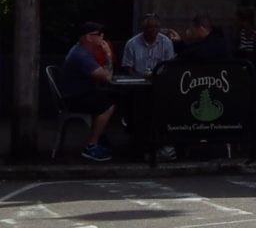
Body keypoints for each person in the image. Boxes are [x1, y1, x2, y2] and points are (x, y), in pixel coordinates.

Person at [58, 21, 116, 162]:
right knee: (108, 105)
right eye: (99, 35)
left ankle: (100, 137)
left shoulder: (82, 51)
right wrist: (108, 54)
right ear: (89, 37)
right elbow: (107, 77)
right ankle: (92, 146)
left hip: (77, 94)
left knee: (108, 97)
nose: (102, 37)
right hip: (74, 98)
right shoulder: (81, 55)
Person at [121, 13, 176, 78]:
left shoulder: (167, 42)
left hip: (160, 81)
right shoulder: (131, 44)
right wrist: (137, 80)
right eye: (151, 27)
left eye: (156, 27)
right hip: (137, 82)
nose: (154, 30)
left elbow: (169, 66)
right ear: (143, 28)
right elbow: (128, 67)